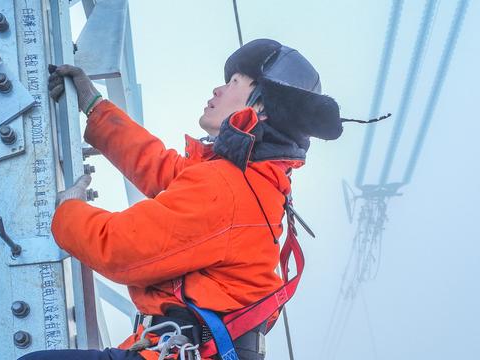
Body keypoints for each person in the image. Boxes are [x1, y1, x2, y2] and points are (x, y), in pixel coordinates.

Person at [20, 39, 346, 360]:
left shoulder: (229, 188)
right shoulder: (248, 184)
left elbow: (120, 248)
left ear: (259, 108)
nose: (218, 90)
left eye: (233, 82)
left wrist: (68, 210)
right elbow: (160, 166)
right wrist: (95, 107)